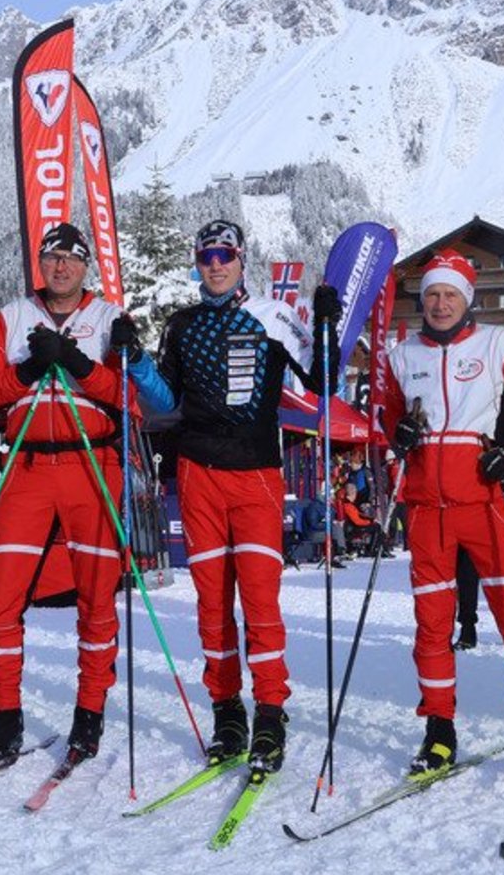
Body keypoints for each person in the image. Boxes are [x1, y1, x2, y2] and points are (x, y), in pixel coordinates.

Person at [121, 218, 337, 775]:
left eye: (225, 254)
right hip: (197, 474)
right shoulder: (183, 323)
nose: (215, 264)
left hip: (258, 476)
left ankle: (270, 712)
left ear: (242, 260)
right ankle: (227, 712)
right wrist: (139, 362)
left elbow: (321, 383)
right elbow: (165, 402)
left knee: (261, 603)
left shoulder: (274, 316)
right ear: (197, 262)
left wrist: (331, 327)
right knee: (212, 604)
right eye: (206, 255)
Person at [380, 250, 504, 788]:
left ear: (468, 300)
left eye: (450, 295)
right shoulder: (401, 354)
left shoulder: (498, 344)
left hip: (486, 501)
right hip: (425, 508)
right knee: (431, 628)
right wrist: (399, 435)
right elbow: (388, 415)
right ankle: (439, 732)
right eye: (432, 295)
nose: (440, 304)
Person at [0, 222, 135, 765]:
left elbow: (131, 398)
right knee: (1, 595)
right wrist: (31, 367)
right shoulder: (13, 316)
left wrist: (81, 365)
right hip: (27, 467)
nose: (60, 267)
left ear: (85, 265)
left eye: (71, 258)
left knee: (96, 597)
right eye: (52, 258)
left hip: (93, 463)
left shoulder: (108, 318)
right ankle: (5, 719)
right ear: (40, 264)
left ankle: (89, 717)